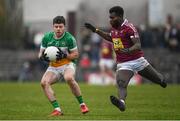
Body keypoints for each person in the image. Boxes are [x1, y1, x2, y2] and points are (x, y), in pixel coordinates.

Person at [84, 6, 167, 112]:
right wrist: (95, 30)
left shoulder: (129, 27)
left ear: (119, 17)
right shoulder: (114, 29)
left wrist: (127, 50)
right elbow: (110, 37)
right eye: (109, 18)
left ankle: (161, 80)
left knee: (159, 80)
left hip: (138, 61)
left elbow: (138, 45)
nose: (110, 20)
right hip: (124, 63)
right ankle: (121, 103)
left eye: (112, 17)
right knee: (121, 83)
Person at [38, 16, 89, 116]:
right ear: (53, 27)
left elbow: (76, 54)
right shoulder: (46, 37)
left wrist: (65, 55)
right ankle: (57, 109)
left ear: (64, 27)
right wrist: (43, 57)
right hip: (53, 67)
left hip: (67, 64)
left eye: (60, 27)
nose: (58, 29)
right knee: (44, 83)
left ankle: (82, 105)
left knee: (69, 78)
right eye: (56, 27)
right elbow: (40, 54)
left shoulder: (69, 38)